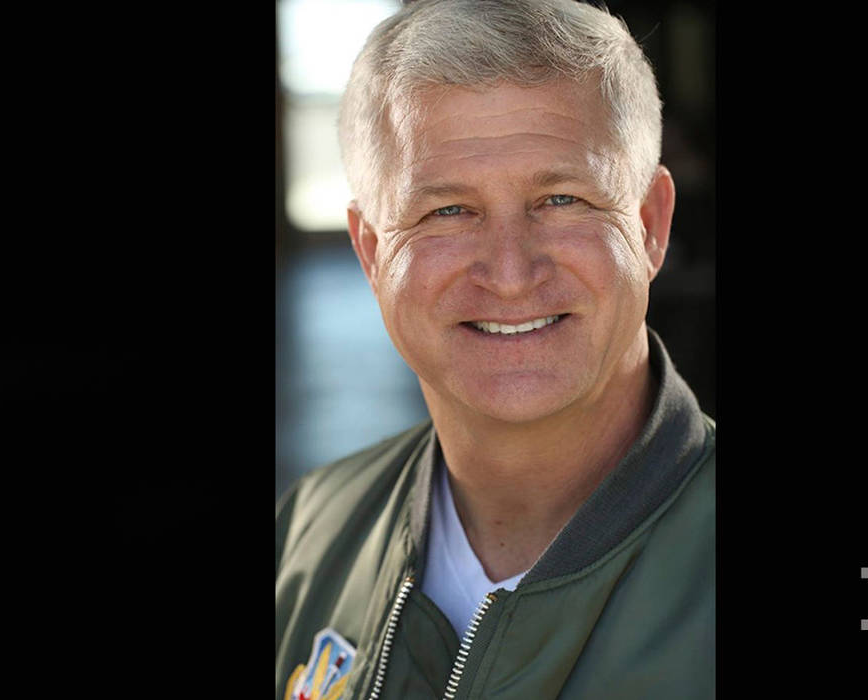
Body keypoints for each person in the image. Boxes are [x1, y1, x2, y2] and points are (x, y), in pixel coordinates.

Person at [275, 1, 715, 698]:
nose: (510, 274)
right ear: (371, 251)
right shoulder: (309, 532)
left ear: (650, 225)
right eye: (447, 211)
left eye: (562, 199)